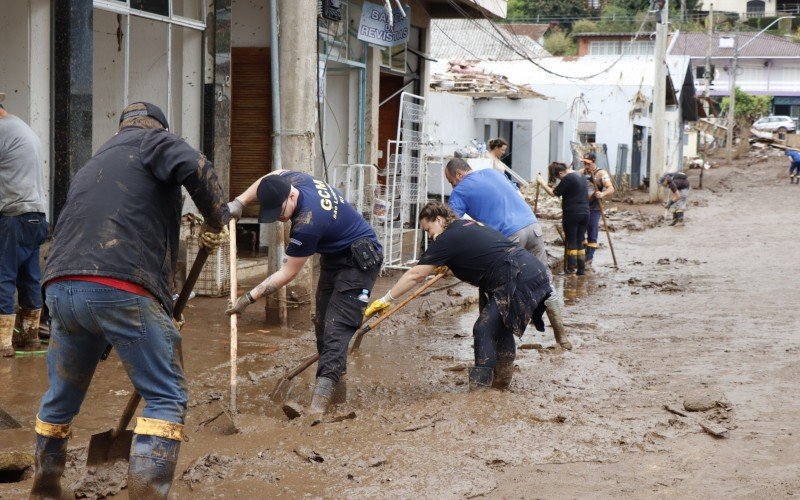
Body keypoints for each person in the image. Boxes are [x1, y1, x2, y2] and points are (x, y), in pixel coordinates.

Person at [32, 102, 230, 499]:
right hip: (120, 284)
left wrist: (160, 308)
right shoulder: (155, 141)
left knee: (61, 395)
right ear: (157, 128)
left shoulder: (95, 162)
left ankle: (46, 487)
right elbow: (196, 165)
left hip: (60, 287)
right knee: (165, 394)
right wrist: (216, 217)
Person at [226, 170, 383, 416]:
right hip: (335, 255)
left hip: (360, 261)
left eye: (279, 211)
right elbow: (270, 176)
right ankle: (338, 396)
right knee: (322, 325)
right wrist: (240, 202)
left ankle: (316, 409)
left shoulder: (307, 223)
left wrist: (248, 298)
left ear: (290, 196)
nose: (278, 218)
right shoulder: (294, 180)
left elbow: (288, 273)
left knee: (336, 328)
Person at [364, 202, 551, 390]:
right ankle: (501, 383)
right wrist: (452, 267)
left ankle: (480, 392)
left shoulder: (447, 238)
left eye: (428, 230)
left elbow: (416, 275)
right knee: (501, 326)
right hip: (531, 270)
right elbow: (479, 258)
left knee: (483, 329)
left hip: (516, 276)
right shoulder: (465, 225)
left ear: (439, 219)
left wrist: (386, 299)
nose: (429, 236)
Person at [444, 158, 571, 350]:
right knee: (545, 280)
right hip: (532, 226)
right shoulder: (493, 173)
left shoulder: (460, 190)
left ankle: (489, 338)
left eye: (451, 181)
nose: (452, 186)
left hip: (510, 235)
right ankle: (562, 337)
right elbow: (515, 192)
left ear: (459, 174)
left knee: (494, 285)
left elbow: (450, 223)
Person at [0, 92, 48, 357]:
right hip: (36, 216)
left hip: (14, 216)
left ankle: (2, 343)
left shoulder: (2, 130)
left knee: (2, 275)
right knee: (29, 277)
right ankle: (29, 337)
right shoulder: (20, 126)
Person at [538, 162, 590, 275]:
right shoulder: (580, 175)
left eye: (558, 177)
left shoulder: (568, 178)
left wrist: (542, 183)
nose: (559, 179)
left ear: (561, 172)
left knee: (571, 240)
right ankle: (581, 270)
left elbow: (553, 193)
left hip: (572, 213)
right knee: (580, 239)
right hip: (585, 213)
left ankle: (570, 269)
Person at [579, 152, 614, 268]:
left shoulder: (601, 173)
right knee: (579, 233)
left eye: (588, 163)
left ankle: (588, 259)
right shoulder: (581, 172)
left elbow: (611, 188)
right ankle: (581, 257)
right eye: (584, 163)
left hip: (594, 207)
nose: (586, 165)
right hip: (582, 207)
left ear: (594, 161)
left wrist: (602, 194)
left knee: (592, 233)